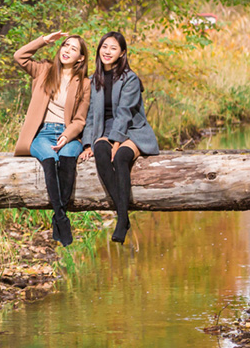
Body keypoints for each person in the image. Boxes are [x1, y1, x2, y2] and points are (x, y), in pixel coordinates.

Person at [12, 31, 91, 246]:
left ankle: (58, 216)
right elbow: (19, 56)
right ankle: (62, 218)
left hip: (68, 135)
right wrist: (44, 40)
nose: (67, 50)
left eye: (73, 48)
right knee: (49, 160)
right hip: (43, 134)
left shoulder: (84, 83)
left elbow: (80, 120)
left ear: (81, 58)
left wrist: (67, 135)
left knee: (67, 160)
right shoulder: (44, 70)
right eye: (65, 45)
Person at [82, 31, 159, 244]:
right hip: (104, 131)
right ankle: (124, 216)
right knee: (100, 152)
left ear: (122, 53)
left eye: (113, 48)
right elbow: (89, 116)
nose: (108, 51)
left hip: (133, 130)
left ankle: (121, 219)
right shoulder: (92, 81)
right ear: (99, 49)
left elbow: (125, 112)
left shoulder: (130, 79)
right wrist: (87, 143)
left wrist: (117, 142)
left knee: (122, 157)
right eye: (105, 47)